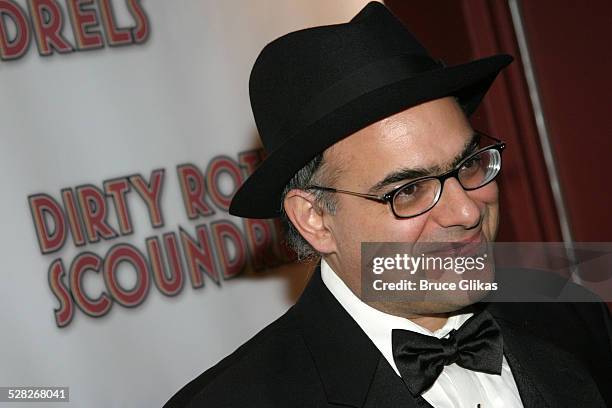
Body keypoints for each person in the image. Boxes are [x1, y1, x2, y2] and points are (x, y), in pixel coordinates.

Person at [164, 3, 611, 407]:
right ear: (314, 218)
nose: (467, 212)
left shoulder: (570, 312)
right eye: (409, 190)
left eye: (470, 164)